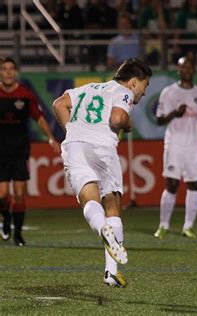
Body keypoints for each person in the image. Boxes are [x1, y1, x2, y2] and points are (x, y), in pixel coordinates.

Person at [52, 58, 152, 287]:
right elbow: (117, 118)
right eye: (145, 87)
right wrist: (127, 124)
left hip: (73, 145)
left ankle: (102, 233)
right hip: (101, 147)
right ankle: (111, 270)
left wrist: (73, 130)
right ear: (134, 82)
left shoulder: (88, 88)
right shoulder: (123, 91)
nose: (143, 94)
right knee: (112, 203)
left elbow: (59, 104)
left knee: (89, 199)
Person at [0, 57, 61, 246]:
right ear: (0, 72)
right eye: (4, 69)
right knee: (2, 195)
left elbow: (39, 117)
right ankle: (6, 219)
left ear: (15, 72)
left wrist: (50, 137)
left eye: (11, 68)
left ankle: (17, 235)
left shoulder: (25, 94)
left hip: (19, 149)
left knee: (19, 194)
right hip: (0, 150)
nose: (8, 72)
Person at [153, 56, 197, 239]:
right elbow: (159, 119)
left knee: (194, 184)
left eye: (189, 66)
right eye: (183, 66)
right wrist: (175, 113)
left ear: (194, 70)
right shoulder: (169, 92)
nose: (186, 69)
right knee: (172, 184)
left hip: (194, 143)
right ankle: (163, 225)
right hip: (175, 143)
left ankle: (188, 227)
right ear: (178, 70)